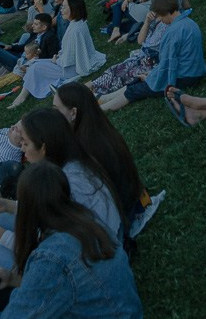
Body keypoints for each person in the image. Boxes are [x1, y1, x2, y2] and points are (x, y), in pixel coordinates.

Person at [0, 162, 143, 319]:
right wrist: (17, 280)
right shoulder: (84, 220)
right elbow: (70, 282)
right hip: (118, 316)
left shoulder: (52, 258)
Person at [53, 83, 146, 232]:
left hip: (118, 216)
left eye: (56, 109)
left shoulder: (84, 146)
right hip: (130, 203)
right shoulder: (96, 131)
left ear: (73, 113)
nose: (53, 114)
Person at [97, 0, 205, 112]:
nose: (160, 20)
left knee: (136, 90)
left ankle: (101, 109)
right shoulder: (190, 23)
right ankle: (106, 98)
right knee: (139, 79)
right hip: (195, 71)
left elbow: (168, 64)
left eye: (159, 16)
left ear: (163, 13)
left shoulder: (172, 32)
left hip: (185, 76)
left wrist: (152, 77)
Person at [10, 0, 106, 106]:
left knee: (34, 67)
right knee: (34, 63)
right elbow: (70, 51)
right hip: (65, 62)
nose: (61, 10)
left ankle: (22, 96)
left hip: (69, 70)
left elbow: (70, 60)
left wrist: (56, 61)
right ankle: (23, 93)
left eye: (64, 7)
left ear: (73, 9)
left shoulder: (75, 30)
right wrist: (58, 57)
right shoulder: (76, 23)